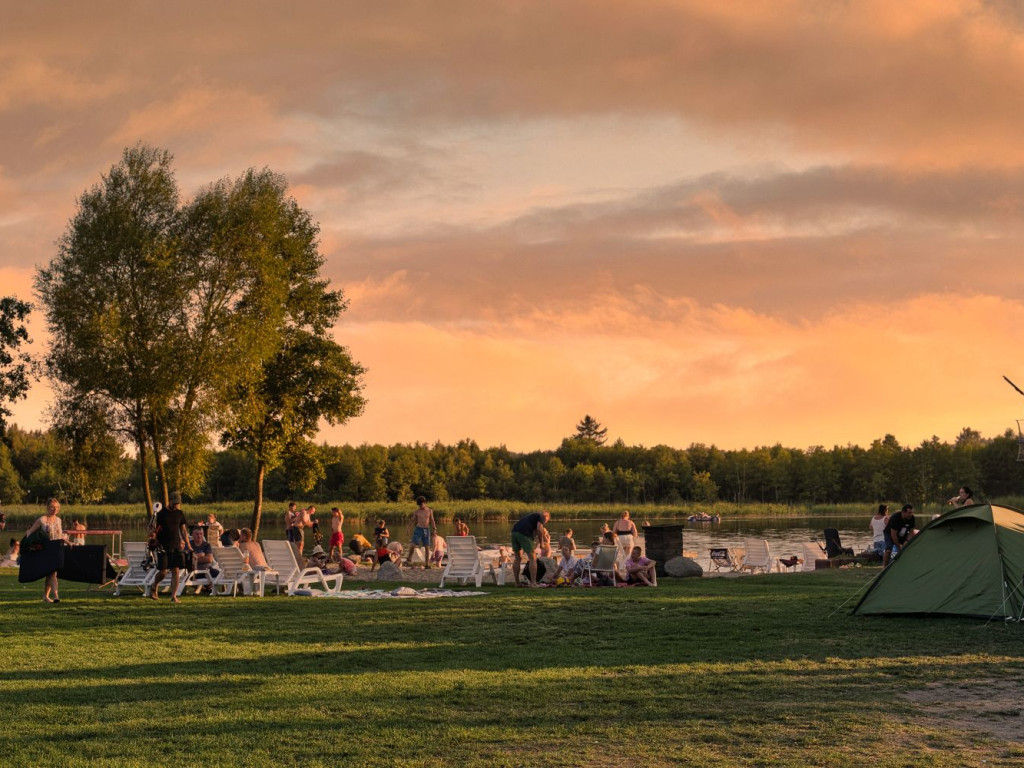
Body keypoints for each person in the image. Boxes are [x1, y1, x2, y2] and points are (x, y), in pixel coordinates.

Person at [149, 494, 189, 602]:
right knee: (163, 572)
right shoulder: (160, 514)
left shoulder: (180, 513)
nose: (176, 505)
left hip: (176, 546)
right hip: (162, 546)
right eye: (174, 503)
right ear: (169, 501)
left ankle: (173, 596)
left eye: (178, 504)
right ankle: (154, 586)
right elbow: (151, 528)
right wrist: (152, 535)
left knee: (175, 571)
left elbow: (183, 530)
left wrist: (188, 544)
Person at [23, 498, 65, 602]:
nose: (54, 509)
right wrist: (28, 544)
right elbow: (30, 532)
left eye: (57, 507)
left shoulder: (59, 520)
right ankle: (56, 596)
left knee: (50, 574)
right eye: (52, 507)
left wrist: (68, 543)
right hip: (46, 549)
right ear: (47, 507)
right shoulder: (42, 519)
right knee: (51, 573)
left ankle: (45, 597)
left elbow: (60, 535)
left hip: (56, 549)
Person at [511, 509, 550, 587]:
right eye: (546, 521)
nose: (545, 523)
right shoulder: (541, 517)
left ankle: (517, 583)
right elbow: (539, 529)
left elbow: (535, 531)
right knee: (533, 558)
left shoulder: (532, 517)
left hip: (514, 532)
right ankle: (533, 583)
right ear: (547, 517)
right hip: (524, 534)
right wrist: (542, 544)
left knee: (517, 558)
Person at [405, 496, 437, 568]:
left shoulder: (429, 511)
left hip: (426, 529)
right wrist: (408, 528)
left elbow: (432, 520)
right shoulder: (417, 512)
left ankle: (427, 564)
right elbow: (412, 520)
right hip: (418, 529)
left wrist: (434, 529)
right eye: (419, 505)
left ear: (424, 503)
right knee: (413, 545)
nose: (420, 506)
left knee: (427, 547)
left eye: (421, 504)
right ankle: (409, 559)